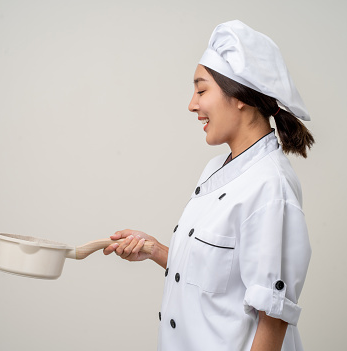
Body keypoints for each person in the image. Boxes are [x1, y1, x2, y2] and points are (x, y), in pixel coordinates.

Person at [103, 20, 313, 351]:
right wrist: (155, 250)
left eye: (201, 90)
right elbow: (221, 278)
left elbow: (273, 320)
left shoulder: (270, 186)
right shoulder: (216, 169)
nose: (192, 104)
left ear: (239, 96)